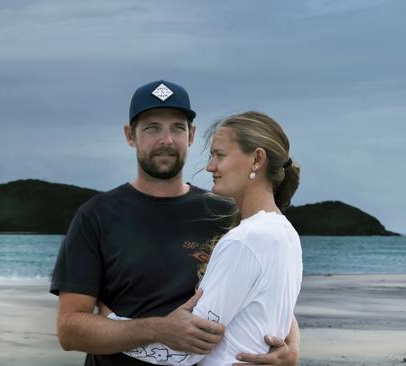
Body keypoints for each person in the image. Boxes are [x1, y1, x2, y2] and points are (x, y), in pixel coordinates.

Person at [50, 80, 299, 366]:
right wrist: (157, 329)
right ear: (130, 135)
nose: (166, 140)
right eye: (152, 128)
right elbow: (69, 329)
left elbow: (266, 288)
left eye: (177, 128)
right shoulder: (95, 216)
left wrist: (290, 349)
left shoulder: (227, 213)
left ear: (191, 135)